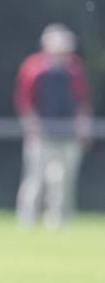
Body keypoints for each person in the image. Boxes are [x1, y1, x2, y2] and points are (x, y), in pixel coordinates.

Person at [15, 23, 92, 229]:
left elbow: (81, 100)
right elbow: (25, 101)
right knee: (35, 180)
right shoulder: (33, 67)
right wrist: (32, 127)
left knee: (64, 181)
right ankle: (27, 222)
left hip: (69, 133)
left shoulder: (75, 68)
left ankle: (59, 223)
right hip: (41, 133)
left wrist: (83, 127)